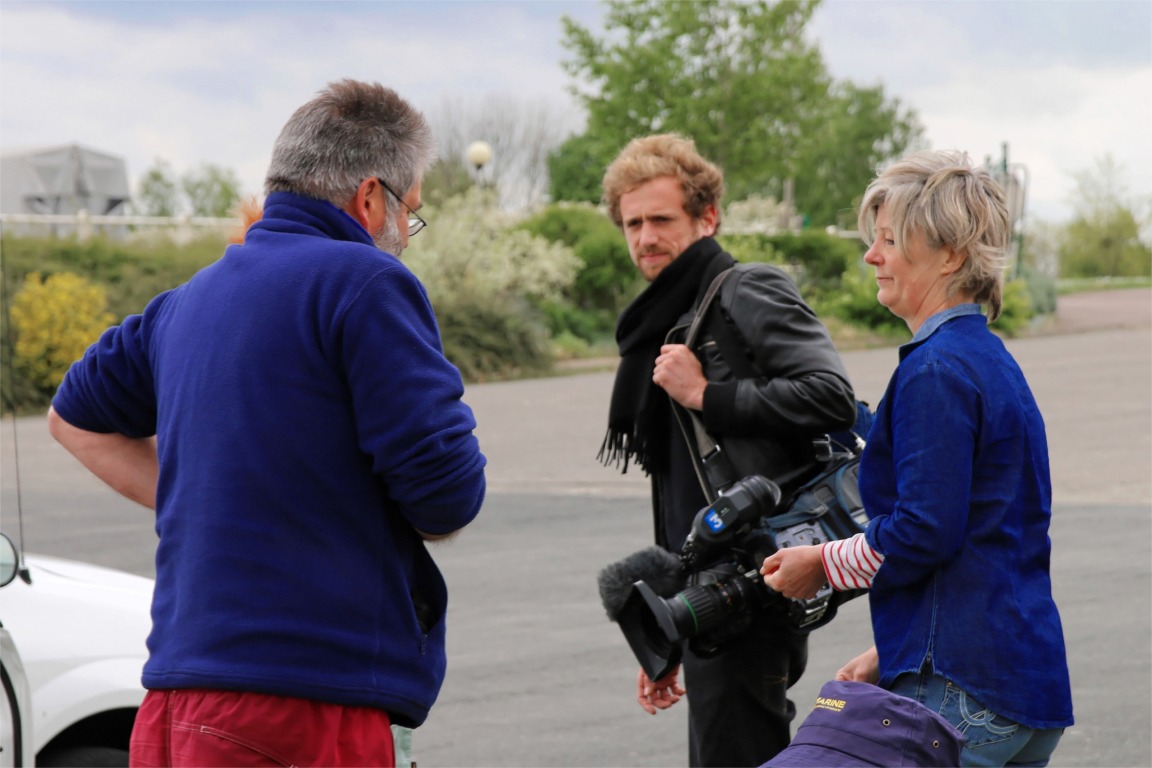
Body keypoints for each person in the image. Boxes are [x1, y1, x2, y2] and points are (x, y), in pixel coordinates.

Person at [47, 79, 486, 767]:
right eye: (411, 211)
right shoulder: (366, 282)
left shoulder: (188, 299)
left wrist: (204, 495)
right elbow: (447, 498)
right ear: (371, 198)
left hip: (174, 701)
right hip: (301, 703)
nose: (406, 233)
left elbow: (72, 419)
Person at [760, 149, 1074, 766]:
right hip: (1024, 686)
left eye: (889, 240)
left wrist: (821, 563)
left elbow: (926, 529)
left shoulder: (934, 369)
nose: (872, 256)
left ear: (951, 254)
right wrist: (894, 653)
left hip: (963, 694)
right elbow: (991, 535)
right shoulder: (992, 361)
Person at [598, 133, 858, 767]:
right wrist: (667, 631)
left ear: (706, 217)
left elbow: (832, 396)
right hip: (707, 593)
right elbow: (680, 491)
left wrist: (707, 395)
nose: (644, 237)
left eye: (661, 219)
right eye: (632, 223)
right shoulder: (654, 326)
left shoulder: (746, 289)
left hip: (758, 574)